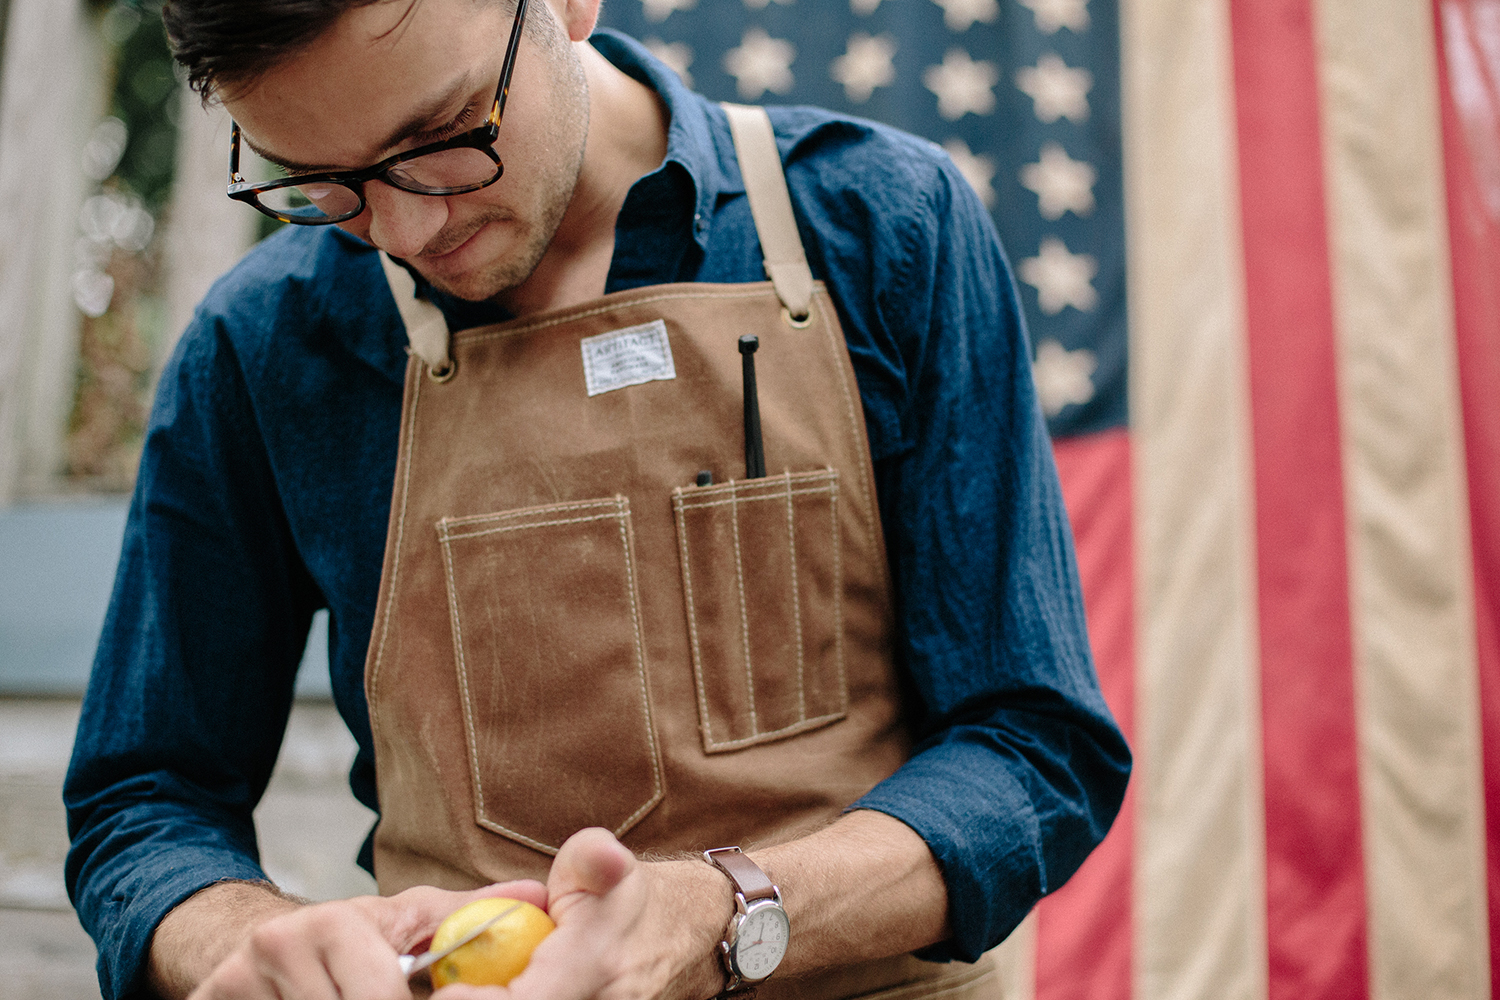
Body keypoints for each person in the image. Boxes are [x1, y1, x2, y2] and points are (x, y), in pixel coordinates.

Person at [64, 0, 1131, 998]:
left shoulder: (885, 225)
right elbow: (144, 803)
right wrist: (245, 942)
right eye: (321, 182)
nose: (401, 230)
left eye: (440, 135)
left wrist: (731, 908)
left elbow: (1035, 747)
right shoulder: (261, 343)